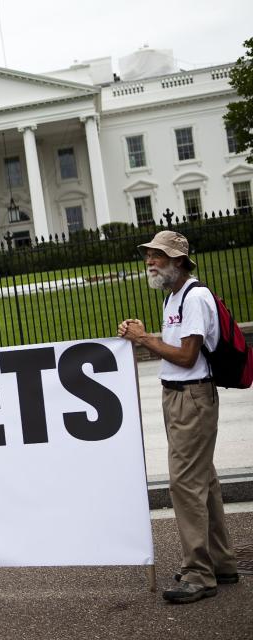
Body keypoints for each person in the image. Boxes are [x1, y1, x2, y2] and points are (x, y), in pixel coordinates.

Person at [118, 230, 239, 605]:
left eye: (158, 255)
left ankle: (198, 573)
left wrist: (143, 339)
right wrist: (144, 336)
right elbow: (177, 350)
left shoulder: (195, 296)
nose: (149, 262)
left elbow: (187, 356)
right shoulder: (174, 297)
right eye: (148, 256)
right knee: (205, 481)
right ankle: (221, 562)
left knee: (184, 485)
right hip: (179, 397)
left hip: (192, 398)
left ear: (179, 260)